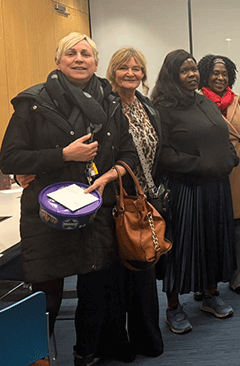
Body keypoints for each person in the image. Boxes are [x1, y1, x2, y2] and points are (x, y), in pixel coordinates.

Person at [0, 32, 137, 366]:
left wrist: (108, 176)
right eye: (72, 53)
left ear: (96, 61)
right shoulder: (32, 102)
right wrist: (63, 154)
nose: (79, 59)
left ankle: (85, 352)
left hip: (95, 211)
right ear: (58, 61)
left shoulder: (109, 100)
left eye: (86, 53)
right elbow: (10, 160)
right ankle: (36, 358)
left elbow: (128, 155)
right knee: (47, 295)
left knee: (96, 291)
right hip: (46, 215)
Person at [152, 49, 239, 334]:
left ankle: (210, 294)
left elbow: (222, 135)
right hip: (186, 188)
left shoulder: (203, 100)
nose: (192, 74)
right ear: (172, 75)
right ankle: (174, 307)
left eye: (194, 69)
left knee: (213, 240)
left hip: (216, 186)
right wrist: (198, 164)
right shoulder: (163, 108)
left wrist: (230, 158)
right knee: (183, 248)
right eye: (185, 70)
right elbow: (161, 153)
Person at [102, 46, 164, 358]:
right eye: (124, 68)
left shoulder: (146, 105)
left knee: (143, 267)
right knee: (117, 273)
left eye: (136, 69)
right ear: (113, 71)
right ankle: (118, 341)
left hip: (143, 199)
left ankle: (147, 337)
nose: (131, 74)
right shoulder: (105, 105)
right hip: (113, 199)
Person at [197, 54, 240, 295]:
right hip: (208, 172)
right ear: (204, 75)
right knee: (208, 228)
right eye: (215, 73)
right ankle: (205, 281)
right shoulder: (196, 101)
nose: (220, 77)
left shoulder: (238, 101)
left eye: (224, 73)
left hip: (238, 169)